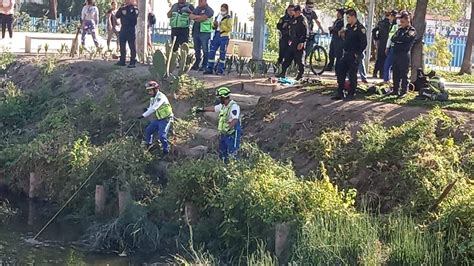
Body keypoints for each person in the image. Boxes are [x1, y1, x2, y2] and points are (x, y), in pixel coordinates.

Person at [194, 87, 241, 162]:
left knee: (233, 152)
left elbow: (235, 120)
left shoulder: (233, 106)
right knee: (222, 152)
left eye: (220, 98)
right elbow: (214, 108)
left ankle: (234, 168)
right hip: (224, 133)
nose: (219, 99)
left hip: (232, 133)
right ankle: (224, 167)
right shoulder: (223, 106)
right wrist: (202, 109)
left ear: (224, 97)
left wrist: (228, 128)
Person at [333, 9, 367, 101]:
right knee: (340, 71)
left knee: (352, 74)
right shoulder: (348, 27)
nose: (347, 19)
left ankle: (351, 93)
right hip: (346, 53)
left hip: (354, 54)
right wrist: (342, 34)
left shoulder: (360, 28)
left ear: (353, 16)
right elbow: (346, 39)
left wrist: (358, 53)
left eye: (348, 17)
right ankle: (340, 92)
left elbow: (364, 43)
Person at [138, 81, 174, 155]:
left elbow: (154, 108)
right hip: (159, 119)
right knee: (148, 131)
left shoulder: (160, 97)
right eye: (148, 91)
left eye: (150, 90)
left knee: (162, 135)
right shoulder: (153, 98)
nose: (149, 92)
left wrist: (143, 115)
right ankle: (149, 146)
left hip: (166, 119)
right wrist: (147, 110)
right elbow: (151, 107)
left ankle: (166, 150)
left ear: (156, 89)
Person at [277, 5, 308, 81]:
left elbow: (305, 32)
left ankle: (300, 75)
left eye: (295, 11)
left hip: (299, 42)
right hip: (292, 42)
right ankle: (283, 73)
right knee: (288, 57)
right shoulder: (293, 19)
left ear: (299, 11)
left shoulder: (302, 20)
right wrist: (289, 39)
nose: (293, 13)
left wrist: (302, 42)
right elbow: (290, 29)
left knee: (299, 60)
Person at [389, 12, 416, 97]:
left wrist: (399, 40)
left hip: (404, 54)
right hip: (396, 54)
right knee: (395, 72)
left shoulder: (411, 30)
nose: (401, 23)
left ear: (408, 20)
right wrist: (399, 40)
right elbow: (393, 38)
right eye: (400, 22)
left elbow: (406, 39)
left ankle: (404, 90)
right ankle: (395, 90)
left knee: (403, 73)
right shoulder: (400, 30)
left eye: (403, 22)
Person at [204, 4, 232, 75]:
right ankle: (209, 68)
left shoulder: (228, 18)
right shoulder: (217, 16)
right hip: (216, 35)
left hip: (224, 36)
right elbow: (214, 27)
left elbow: (229, 28)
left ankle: (220, 70)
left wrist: (221, 25)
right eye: (221, 9)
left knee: (222, 53)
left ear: (226, 10)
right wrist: (215, 24)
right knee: (212, 51)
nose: (222, 11)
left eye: (223, 10)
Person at [190, 0, 214, 71]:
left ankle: (204, 65)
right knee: (196, 49)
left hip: (204, 33)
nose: (199, 2)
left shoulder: (209, 10)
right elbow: (191, 16)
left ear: (205, 1)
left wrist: (196, 18)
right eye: (199, 1)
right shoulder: (197, 8)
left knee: (205, 50)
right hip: (196, 32)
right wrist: (198, 17)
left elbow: (203, 18)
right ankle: (196, 64)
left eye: (201, 1)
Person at [372, 10, 396, 78]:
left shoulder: (381, 23)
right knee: (385, 59)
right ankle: (382, 74)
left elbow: (374, 30)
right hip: (388, 43)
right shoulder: (392, 24)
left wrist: (376, 38)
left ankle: (375, 72)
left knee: (379, 58)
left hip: (381, 42)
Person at [116, 0, 139, 68]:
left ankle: (132, 61)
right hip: (123, 28)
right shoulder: (122, 8)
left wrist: (125, 13)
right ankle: (122, 60)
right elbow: (117, 15)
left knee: (132, 46)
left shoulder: (135, 9)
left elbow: (133, 18)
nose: (127, 1)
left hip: (131, 29)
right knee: (122, 45)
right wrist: (122, 9)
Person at [383, 11, 399, 83]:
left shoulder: (395, 26)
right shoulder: (395, 26)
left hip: (394, 48)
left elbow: (390, 38)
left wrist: (387, 47)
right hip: (394, 48)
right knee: (390, 65)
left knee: (388, 64)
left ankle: (387, 80)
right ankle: (388, 80)